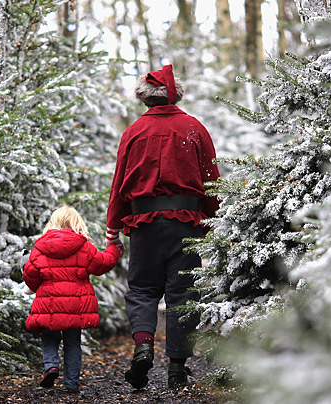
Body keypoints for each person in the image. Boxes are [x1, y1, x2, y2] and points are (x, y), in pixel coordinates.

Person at [105, 64, 220, 389]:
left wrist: (112, 231)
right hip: (186, 225)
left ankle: (143, 346)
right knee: (182, 295)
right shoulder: (193, 128)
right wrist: (213, 224)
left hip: (144, 225)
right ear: (175, 94)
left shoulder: (133, 132)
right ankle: (176, 369)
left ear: (145, 98)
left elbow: (119, 186)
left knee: (142, 290)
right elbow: (211, 181)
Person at [23, 206, 124, 393]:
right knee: (73, 343)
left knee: (49, 338)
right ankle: (71, 384)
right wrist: (114, 249)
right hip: (75, 306)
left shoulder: (40, 248)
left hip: (48, 304)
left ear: (52, 223)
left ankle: (51, 366)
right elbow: (103, 263)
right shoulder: (84, 247)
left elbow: (31, 275)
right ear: (77, 224)